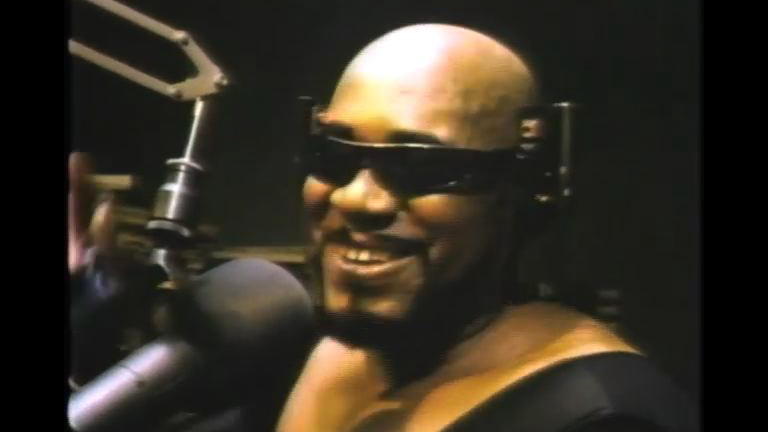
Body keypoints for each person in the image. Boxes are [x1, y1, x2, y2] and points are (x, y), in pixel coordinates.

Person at [69, 23, 697, 432]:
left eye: (420, 167)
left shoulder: (602, 415)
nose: (357, 199)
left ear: (519, 190)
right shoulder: (318, 357)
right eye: (335, 156)